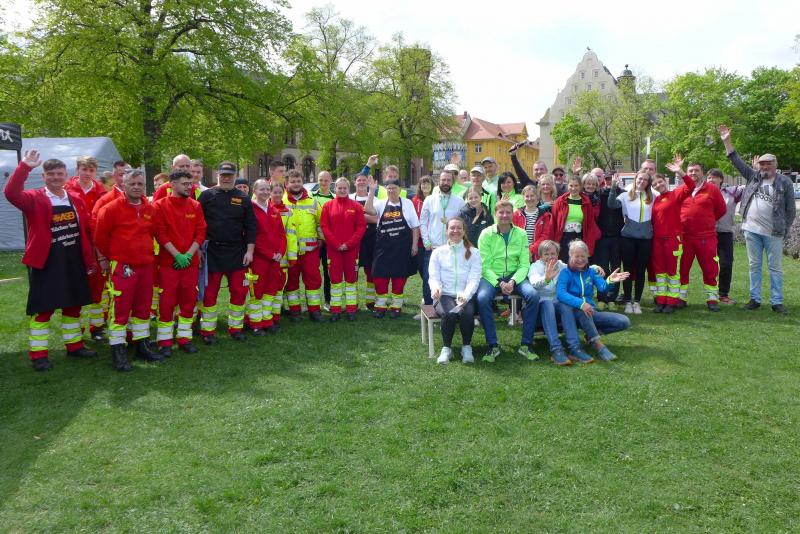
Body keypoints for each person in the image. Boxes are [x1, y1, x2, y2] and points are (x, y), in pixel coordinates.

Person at [4, 150, 98, 371]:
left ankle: (75, 346)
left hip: (73, 260)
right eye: (51, 174)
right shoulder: (34, 198)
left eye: (60, 173)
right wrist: (24, 167)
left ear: (66, 176)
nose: (56, 177)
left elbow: (85, 229)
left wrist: (91, 258)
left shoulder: (75, 199)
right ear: (44, 176)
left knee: (73, 306)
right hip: (47, 262)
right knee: (43, 309)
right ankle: (38, 355)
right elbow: (11, 193)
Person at [719, 125, 795, 314]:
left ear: (775, 165)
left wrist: (784, 230)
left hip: (774, 233)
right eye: (762, 164)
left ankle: (777, 302)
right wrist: (727, 141)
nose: (764, 167)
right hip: (751, 230)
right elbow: (736, 161)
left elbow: (790, 210)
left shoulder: (785, 182)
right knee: (754, 266)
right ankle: (755, 299)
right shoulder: (754, 177)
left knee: (775, 268)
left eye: (768, 164)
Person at [95, 169, 163, 371]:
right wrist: (115, 256)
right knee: (120, 308)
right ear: (123, 185)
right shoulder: (111, 209)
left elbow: (155, 233)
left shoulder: (150, 208)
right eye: (132, 184)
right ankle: (118, 349)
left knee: (143, 307)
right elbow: (100, 237)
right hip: (123, 266)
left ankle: (142, 345)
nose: (136, 187)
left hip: (146, 266)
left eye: (139, 184)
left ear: (144, 186)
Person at [197, 162, 257, 343]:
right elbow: (197, 225)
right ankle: (208, 332)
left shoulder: (243, 198)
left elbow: (251, 227)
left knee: (238, 292)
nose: (226, 178)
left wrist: (250, 251)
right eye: (223, 175)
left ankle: (236, 328)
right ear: (218, 175)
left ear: (234, 176)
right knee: (209, 293)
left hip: (237, 251)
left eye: (229, 175)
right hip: (212, 252)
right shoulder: (206, 196)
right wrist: (199, 249)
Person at [476, 200, 540, 362]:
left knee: (533, 295)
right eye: (501, 212)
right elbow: (484, 265)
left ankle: (526, 344)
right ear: (495, 214)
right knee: (482, 298)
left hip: (515, 275)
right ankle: (492, 345)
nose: (504, 215)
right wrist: (499, 282)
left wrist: (512, 281)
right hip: (492, 276)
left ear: (513, 214)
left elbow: (524, 264)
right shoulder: (486, 234)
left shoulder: (521, 234)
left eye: (508, 212)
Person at [151, 170, 207, 356]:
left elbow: (201, 232)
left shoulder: (195, 205)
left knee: (188, 301)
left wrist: (188, 255)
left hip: (190, 264)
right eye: (184, 184)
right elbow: (160, 234)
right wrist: (177, 256)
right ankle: (165, 341)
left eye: (190, 184)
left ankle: (185, 338)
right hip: (169, 263)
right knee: (166, 303)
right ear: (172, 184)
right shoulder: (160, 205)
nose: (188, 187)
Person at [557, 240, 631, 362]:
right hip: (572, 314)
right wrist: (581, 304)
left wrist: (610, 281)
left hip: (591, 312)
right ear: (570, 256)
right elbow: (561, 294)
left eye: (583, 256)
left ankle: (590, 336)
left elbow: (602, 287)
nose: (580, 259)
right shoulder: (565, 272)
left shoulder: (592, 271)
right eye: (576, 256)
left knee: (624, 321)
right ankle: (598, 346)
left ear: (588, 256)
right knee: (583, 310)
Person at [64, 155, 108, 341]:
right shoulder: (66, 190)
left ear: (95, 172)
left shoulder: (102, 192)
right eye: (84, 169)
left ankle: (97, 327)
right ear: (77, 170)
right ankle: (76, 331)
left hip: (96, 245)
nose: (87, 173)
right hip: (74, 243)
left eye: (91, 170)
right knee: (76, 287)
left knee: (99, 287)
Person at [364, 175, 420, 318]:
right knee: (380, 278)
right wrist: (372, 190)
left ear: (399, 189)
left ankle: (396, 307)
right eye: (389, 188)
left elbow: (415, 226)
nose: (391, 191)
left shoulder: (407, 203)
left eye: (394, 188)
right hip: (383, 248)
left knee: (399, 279)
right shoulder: (381, 203)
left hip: (402, 248)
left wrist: (414, 245)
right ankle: (380, 306)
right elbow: (368, 209)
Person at [429, 218, 482, 364]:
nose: (455, 231)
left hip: (465, 295)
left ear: (464, 231)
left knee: (467, 313)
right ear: (446, 231)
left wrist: (466, 295)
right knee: (449, 314)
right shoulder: (438, 252)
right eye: (452, 228)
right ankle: (446, 349)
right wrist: (436, 288)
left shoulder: (474, 252)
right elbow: (433, 276)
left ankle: (466, 347)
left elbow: (474, 278)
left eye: (459, 228)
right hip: (444, 295)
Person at [678, 162, 726, 311]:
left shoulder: (712, 189)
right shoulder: (681, 190)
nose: (693, 173)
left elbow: (721, 210)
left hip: (706, 237)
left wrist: (707, 221)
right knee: (682, 268)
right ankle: (681, 297)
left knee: (710, 268)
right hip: (685, 237)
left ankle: (712, 299)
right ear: (686, 173)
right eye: (690, 171)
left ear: (702, 173)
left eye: (696, 170)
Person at [651, 158, 696, 313]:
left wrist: (680, 172)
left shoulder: (675, 194)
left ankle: (672, 301)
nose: (658, 185)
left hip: (672, 240)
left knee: (672, 271)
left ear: (665, 181)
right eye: (655, 184)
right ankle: (661, 300)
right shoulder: (656, 200)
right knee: (660, 272)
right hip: (658, 240)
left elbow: (691, 186)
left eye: (660, 182)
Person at [248, 179, 291, 334]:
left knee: (271, 290)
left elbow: (281, 234)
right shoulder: (250, 210)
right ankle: (256, 323)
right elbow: (251, 237)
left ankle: (267, 320)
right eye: (262, 189)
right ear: (254, 191)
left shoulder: (274, 210)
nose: (265, 192)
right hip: (259, 259)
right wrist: (270, 254)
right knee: (257, 291)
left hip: (275, 259)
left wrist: (280, 252)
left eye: (267, 189)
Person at [321, 177, 367, 321]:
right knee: (335, 280)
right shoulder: (328, 206)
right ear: (335, 189)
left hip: (351, 250)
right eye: (339, 188)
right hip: (333, 250)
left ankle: (351, 309)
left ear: (348, 189)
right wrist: (336, 244)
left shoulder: (356, 206)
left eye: (344, 188)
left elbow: (361, 227)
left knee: (351, 280)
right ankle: (335, 310)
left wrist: (348, 244)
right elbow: (324, 227)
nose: (342, 190)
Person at [608, 172, 654, 314]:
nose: (642, 181)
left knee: (641, 270)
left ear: (648, 183)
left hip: (645, 239)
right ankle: (628, 301)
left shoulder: (653, 196)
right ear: (635, 179)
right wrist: (613, 186)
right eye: (640, 178)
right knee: (627, 270)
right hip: (627, 238)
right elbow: (611, 204)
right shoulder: (625, 195)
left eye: (645, 180)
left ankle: (637, 302)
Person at [420, 171, 466, 306]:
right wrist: (426, 241)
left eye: (448, 180)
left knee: (448, 277)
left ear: (452, 182)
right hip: (432, 246)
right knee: (428, 277)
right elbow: (423, 222)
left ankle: (447, 306)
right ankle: (428, 307)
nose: (445, 183)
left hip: (451, 247)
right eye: (443, 180)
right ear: (438, 181)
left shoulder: (459, 201)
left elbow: (462, 224)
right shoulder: (429, 200)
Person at [283, 169, 323, 321]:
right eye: (292, 181)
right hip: (290, 250)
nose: (296, 184)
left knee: (313, 279)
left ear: (302, 182)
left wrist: (321, 238)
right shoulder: (281, 201)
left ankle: (314, 310)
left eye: (298, 181)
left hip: (310, 250)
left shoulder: (313, 202)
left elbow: (320, 223)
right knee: (291, 280)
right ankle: (295, 311)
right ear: (287, 183)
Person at [528, 240, 571, 366]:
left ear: (557, 254)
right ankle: (556, 349)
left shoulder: (561, 266)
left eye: (553, 254)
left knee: (565, 303)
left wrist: (594, 267)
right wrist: (546, 278)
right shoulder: (535, 267)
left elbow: (576, 267)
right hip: (538, 311)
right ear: (540, 255)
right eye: (546, 254)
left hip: (556, 310)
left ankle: (574, 345)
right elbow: (534, 283)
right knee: (547, 304)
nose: (550, 257)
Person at [541, 175, 601, 263]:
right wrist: (551, 243)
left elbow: (590, 226)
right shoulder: (560, 201)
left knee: (577, 264)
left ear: (580, 186)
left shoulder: (586, 202)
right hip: (562, 239)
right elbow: (553, 223)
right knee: (563, 265)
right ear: (567, 186)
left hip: (579, 238)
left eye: (576, 186)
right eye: (571, 185)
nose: (573, 188)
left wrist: (589, 246)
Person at [707, 168, 743, 305]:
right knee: (708, 265)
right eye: (709, 177)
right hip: (707, 234)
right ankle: (710, 295)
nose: (711, 179)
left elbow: (751, 185)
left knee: (726, 263)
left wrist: (755, 171)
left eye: (714, 177)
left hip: (725, 233)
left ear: (721, 179)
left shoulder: (731, 192)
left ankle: (723, 294)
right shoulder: (702, 193)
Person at [266, 181, 297, 329]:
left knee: (279, 287)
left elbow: (291, 235)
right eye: (275, 192)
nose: (277, 195)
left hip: (282, 256)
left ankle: (275, 315)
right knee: (266, 287)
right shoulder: (263, 208)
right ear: (270, 193)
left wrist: (292, 256)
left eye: (280, 192)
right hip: (266, 255)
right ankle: (264, 316)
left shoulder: (288, 211)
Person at [593, 172, 625, 310]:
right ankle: (602, 297)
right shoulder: (599, 194)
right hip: (602, 237)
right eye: (607, 179)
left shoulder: (623, 194)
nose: (609, 181)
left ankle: (612, 298)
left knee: (616, 267)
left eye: (612, 179)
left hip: (618, 237)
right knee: (602, 268)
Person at [351, 171, 379, 310]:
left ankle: (370, 302)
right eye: (359, 180)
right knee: (353, 272)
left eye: (364, 180)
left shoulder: (375, 199)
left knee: (370, 271)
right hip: (354, 240)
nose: (361, 182)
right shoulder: (350, 198)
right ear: (354, 182)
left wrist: (358, 217)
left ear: (368, 182)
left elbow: (377, 219)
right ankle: (353, 302)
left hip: (371, 239)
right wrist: (367, 217)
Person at [411, 175, 433, 311]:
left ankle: (430, 297)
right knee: (423, 271)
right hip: (419, 243)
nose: (425, 186)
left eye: (427, 183)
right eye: (422, 183)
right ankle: (427, 296)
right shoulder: (414, 201)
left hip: (432, 242)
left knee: (431, 272)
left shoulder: (436, 199)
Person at [313, 171, 335, 308]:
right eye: (321, 179)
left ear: (331, 181)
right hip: (315, 241)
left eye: (326, 180)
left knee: (328, 272)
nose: (323, 182)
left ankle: (328, 301)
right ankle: (313, 303)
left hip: (329, 242)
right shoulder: (311, 196)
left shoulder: (335, 198)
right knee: (313, 273)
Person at [512, 185, 540, 249]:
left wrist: (531, 250)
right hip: (520, 249)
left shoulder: (544, 215)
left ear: (537, 197)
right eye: (527, 196)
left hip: (537, 251)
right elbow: (513, 234)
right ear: (523, 198)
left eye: (532, 196)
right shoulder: (516, 214)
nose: (529, 199)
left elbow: (544, 235)